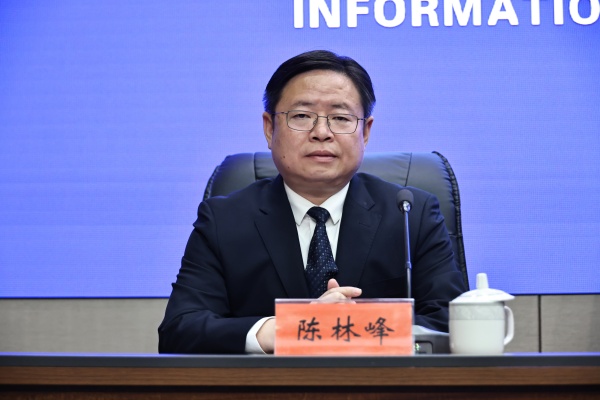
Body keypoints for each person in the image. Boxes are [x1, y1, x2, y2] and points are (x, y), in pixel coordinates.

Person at [158, 50, 467, 354]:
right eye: (302, 116)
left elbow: (453, 325)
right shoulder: (224, 220)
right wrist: (286, 329)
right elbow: (179, 331)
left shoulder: (411, 215)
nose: (321, 133)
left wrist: (339, 327)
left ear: (365, 132)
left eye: (341, 118)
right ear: (269, 127)